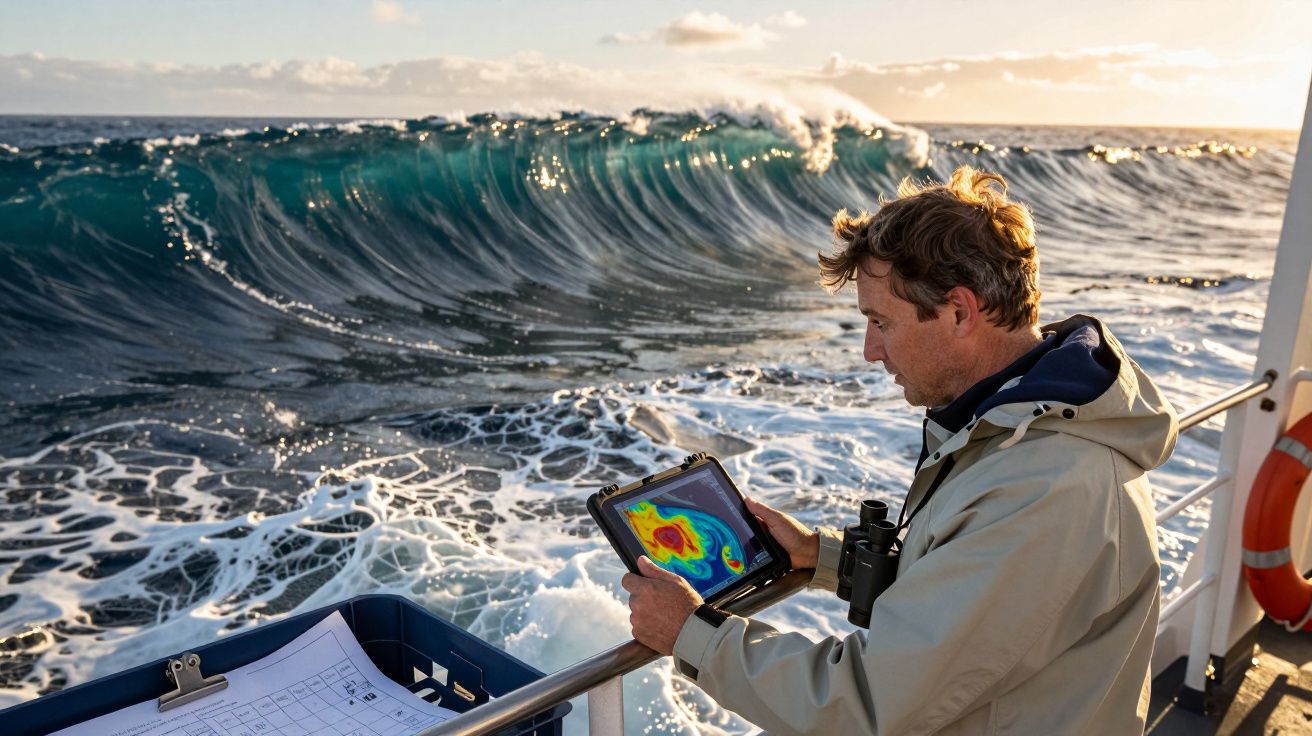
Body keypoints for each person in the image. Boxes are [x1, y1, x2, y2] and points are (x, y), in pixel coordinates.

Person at [622, 165, 1178, 735]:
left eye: (880, 322)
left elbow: (870, 701)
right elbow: (978, 608)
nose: (870, 350)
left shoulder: (1045, 485)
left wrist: (691, 634)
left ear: (959, 312)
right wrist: (823, 556)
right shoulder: (1019, 428)